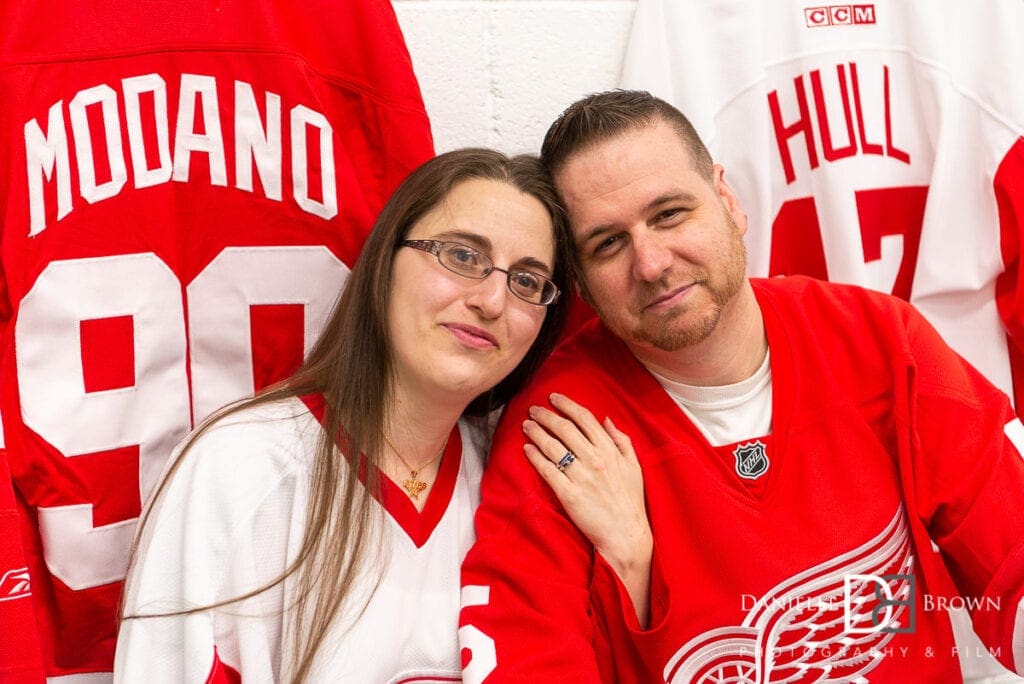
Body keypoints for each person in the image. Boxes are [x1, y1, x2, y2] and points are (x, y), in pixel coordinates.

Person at [458, 90, 1024, 683]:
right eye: (608, 243)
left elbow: (1013, 561)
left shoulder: (879, 341)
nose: (651, 263)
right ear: (580, 280)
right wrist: (628, 571)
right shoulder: (556, 430)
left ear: (727, 199)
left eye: (670, 214)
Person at [114, 148, 650, 682]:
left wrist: (631, 558)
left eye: (528, 282)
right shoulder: (240, 467)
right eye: (462, 256)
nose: (492, 301)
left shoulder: (518, 480)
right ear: (386, 260)